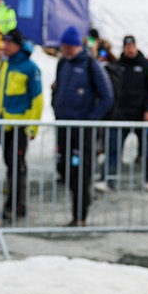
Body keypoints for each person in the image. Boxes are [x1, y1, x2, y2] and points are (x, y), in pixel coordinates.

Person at [51, 27, 113, 227]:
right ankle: (79, 205)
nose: (66, 51)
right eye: (64, 47)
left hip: (81, 129)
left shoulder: (90, 64)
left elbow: (107, 96)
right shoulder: (63, 63)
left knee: (80, 172)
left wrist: (90, 119)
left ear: (77, 46)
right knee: (64, 167)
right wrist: (56, 106)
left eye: (69, 47)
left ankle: (80, 214)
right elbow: (58, 87)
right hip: (64, 125)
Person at [0, 28, 43, 219]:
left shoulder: (30, 68)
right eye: (4, 43)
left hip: (20, 127)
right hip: (4, 124)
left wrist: (32, 127)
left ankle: (16, 205)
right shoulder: (4, 65)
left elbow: (37, 100)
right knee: (9, 164)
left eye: (9, 43)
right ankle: (12, 202)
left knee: (16, 167)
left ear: (18, 45)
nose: (5, 46)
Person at [104, 35, 148, 192]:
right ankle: (109, 180)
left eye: (132, 46)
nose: (130, 49)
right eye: (127, 46)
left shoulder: (146, 66)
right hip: (121, 115)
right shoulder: (117, 65)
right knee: (113, 149)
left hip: (142, 116)